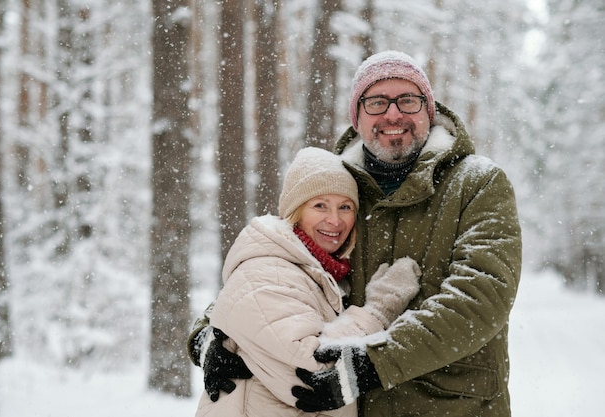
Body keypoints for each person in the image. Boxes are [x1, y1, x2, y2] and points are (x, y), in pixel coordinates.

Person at [189, 50, 522, 417]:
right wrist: (212, 333)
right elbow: (279, 261)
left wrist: (371, 364)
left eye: (407, 101)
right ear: (357, 117)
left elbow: (481, 296)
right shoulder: (340, 189)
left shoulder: (476, 183)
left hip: (453, 407)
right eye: (376, 102)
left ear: (429, 111)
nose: (393, 114)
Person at [193, 147, 422, 417]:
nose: (335, 220)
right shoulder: (269, 270)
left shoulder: (318, 273)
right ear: (295, 212)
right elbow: (317, 373)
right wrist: (378, 311)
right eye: (319, 205)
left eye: (345, 207)